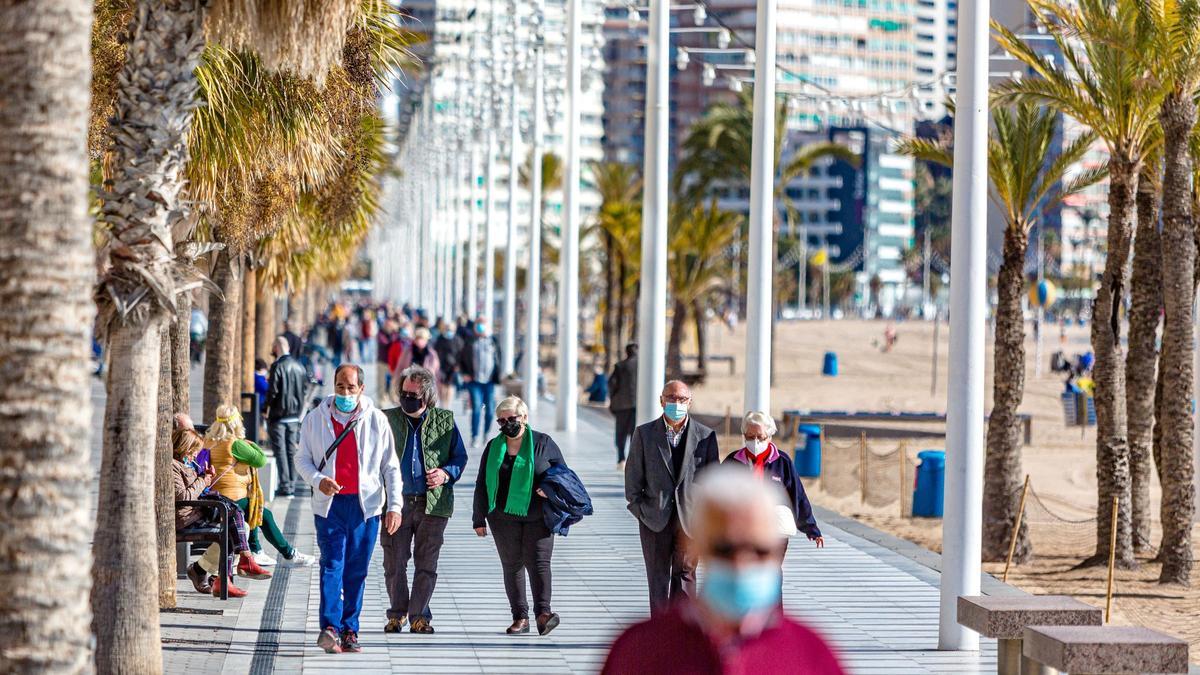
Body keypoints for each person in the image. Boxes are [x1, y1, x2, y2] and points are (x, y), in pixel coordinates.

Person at [601, 466, 846, 675]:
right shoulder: (640, 651)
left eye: (759, 551)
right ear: (694, 544)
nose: (742, 564)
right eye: (725, 549)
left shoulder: (811, 655)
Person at [296, 364, 404, 654]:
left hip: (365, 509)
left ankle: (350, 630)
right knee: (332, 565)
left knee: (356, 571)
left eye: (351, 387)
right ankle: (330, 626)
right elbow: (302, 459)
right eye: (340, 386)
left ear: (361, 389)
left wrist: (394, 506)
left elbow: (390, 468)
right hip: (330, 507)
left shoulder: (376, 420)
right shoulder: (315, 419)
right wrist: (319, 481)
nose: (344, 392)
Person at [381, 366, 468, 634]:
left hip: (434, 503)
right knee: (394, 561)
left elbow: (459, 458)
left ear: (427, 397)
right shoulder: (386, 420)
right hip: (397, 503)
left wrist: (445, 474)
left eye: (414, 394)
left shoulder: (445, 421)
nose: (407, 398)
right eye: (404, 393)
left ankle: (420, 616)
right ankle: (397, 613)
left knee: (426, 563)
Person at [625, 380, 720, 616]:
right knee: (657, 577)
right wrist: (640, 509)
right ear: (661, 400)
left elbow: (713, 480)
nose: (676, 403)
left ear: (690, 402)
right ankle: (660, 630)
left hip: (691, 520)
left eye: (681, 399)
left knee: (686, 574)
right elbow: (633, 476)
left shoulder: (705, 436)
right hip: (654, 519)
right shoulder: (644, 434)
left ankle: (683, 628)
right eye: (671, 398)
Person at [472, 396, 565, 636]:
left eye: (511, 419)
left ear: (524, 417)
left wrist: (550, 489)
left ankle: (543, 614)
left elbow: (563, 476)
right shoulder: (494, 446)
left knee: (539, 563)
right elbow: (482, 482)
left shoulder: (543, 443)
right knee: (512, 565)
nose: (506, 424)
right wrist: (478, 518)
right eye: (501, 421)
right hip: (502, 517)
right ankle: (520, 617)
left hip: (539, 516)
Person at [206, 405, 316, 568]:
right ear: (236, 422)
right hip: (230, 499)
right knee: (263, 513)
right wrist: (252, 445)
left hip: (214, 497)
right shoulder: (235, 444)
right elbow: (260, 460)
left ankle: (256, 549)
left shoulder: (209, 441)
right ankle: (288, 553)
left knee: (253, 507)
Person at [723, 411, 824, 582]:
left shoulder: (782, 462)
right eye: (750, 436)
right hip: (741, 529)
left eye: (760, 437)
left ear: (769, 436)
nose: (755, 442)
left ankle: (772, 609)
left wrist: (811, 529)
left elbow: (797, 496)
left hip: (774, 530)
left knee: (770, 575)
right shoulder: (733, 461)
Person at [174, 428, 265, 598]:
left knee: (237, 518)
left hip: (196, 512)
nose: (195, 456)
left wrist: (205, 477)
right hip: (186, 517)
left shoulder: (187, 464)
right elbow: (183, 496)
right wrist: (204, 480)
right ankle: (233, 569)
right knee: (234, 523)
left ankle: (223, 577)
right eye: (193, 452)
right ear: (184, 449)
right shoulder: (173, 466)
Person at [266, 336, 309, 498]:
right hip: (294, 416)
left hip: (278, 415)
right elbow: (303, 390)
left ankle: (285, 485)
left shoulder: (277, 366)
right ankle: (291, 483)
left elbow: (273, 392)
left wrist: (266, 408)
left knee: (281, 451)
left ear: (277, 347)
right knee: (291, 451)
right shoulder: (299, 366)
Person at [461, 319, 502, 447]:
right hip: (474, 381)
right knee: (477, 408)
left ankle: (486, 433)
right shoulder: (470, 342)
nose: (480, 327)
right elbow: (461, 358)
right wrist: (465, 374)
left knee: (490, 410)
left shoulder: (493, 341)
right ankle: (475, 436)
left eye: (483, 324)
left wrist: (498, 375)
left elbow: (499, 358)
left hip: (489, 382)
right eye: (478, 324)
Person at [608, 343, 638, 469]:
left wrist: (613, 399)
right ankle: (633, 461)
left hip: (622, 406)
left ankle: (621, 459)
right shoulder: (646, 366)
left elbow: (612, 384)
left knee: (621, 434)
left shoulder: (620, 366)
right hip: (639, 407)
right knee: (636, 434)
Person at [395, 327, 442, 397]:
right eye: (418, 338)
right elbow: (400, 366)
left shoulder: (432, 354)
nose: (420, 340)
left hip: (425, 386)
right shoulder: (407, 351)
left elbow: (436, 371)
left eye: (422, 338)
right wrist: (397, 381)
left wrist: (437, 387)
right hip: (409, 384)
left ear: (427, 340)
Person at [432, 320, 463, 405]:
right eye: (447, 328)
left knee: (450, 386)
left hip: (453, 366)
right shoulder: (440, 338)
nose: (449, 330)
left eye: (451, 329)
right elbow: (435, 351)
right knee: (442, 386)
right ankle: (442, 403)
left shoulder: (457, 340)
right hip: (441, 365)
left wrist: (458, 365)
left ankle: (447, 404)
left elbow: (461, 354)